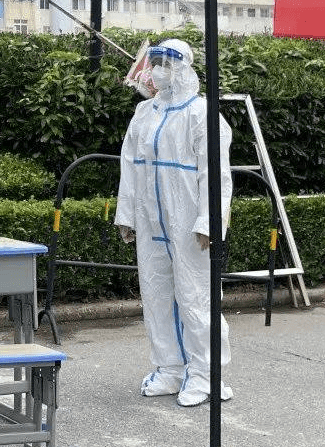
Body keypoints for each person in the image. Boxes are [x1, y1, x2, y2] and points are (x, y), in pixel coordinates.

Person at [114, 38, 233, 407]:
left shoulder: (202, 114)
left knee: (196, 297)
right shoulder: (144, 112)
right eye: (155, 63)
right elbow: (129, 164)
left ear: (183, 68)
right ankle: (169, 368)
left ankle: (206, 374)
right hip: (151, 221)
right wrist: (127, 214)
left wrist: (209, 222)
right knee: (156, 295)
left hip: (187, 223)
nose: (158, 70)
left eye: (166, 63)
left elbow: (215, 174)